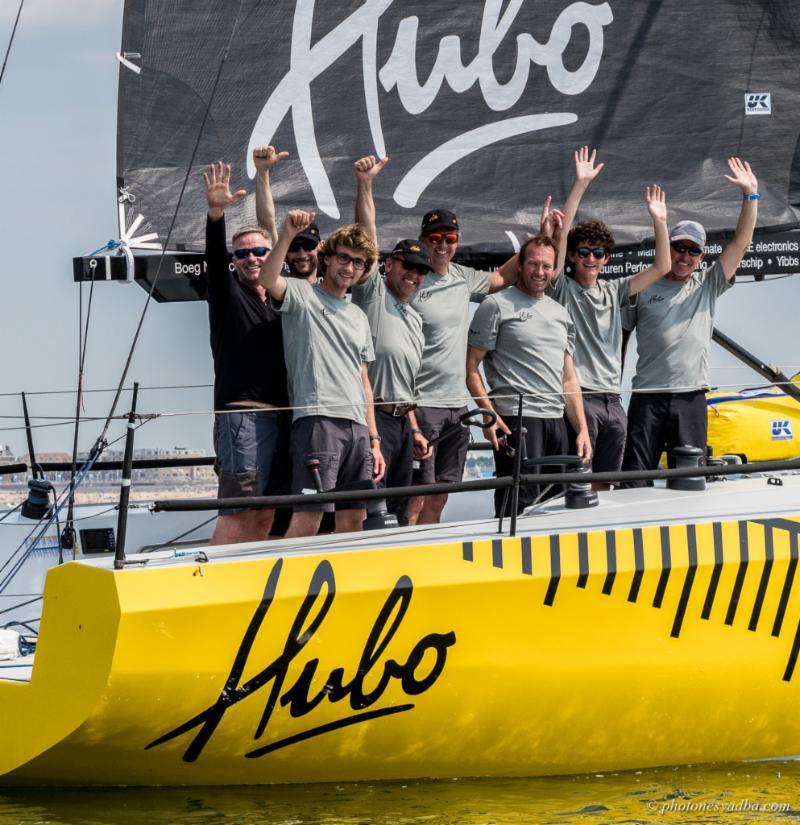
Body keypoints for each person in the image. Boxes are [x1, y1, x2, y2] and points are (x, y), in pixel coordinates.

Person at [621, 157, 759, 483]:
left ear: (701, 257)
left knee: (689, 483)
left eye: (692, 251)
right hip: (647, 397)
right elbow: (619, 339)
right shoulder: (642, 285)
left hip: (691, 397)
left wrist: (750, 197)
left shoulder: (708, 284)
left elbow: (741, 244)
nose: (684, 257)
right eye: (679, 248)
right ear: (667, 247)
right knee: (633, 482)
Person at [542, 146, 672, 488]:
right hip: (578, 396)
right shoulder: (563, 288)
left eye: (598, 253)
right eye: (583, 251)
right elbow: (558, 242)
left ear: (606, 258)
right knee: (575, 485)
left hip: (613, 399)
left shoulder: (614, 290)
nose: (590, 258)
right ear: (572, 255)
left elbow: (663, 267)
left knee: (606, 484)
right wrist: (581, 184)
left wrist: (659, 220)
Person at [258, 210, 386, 537]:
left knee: (353, 520)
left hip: (358, 428)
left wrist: (374, 440)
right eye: (344, 258)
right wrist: (286, 234)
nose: (350, 268)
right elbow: (267, 279)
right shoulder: (302, 295)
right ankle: (288, 586)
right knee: (309, 517)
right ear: (326, 257)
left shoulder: (358, 315)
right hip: (318, 419)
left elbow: (364, 382)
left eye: (358, 263)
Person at [466, 235, 592, 515]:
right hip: (517, 420)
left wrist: (582, 430)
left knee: (557, 506)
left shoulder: (560, 312)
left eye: (546, 266)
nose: (540, 271)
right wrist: (489, 414)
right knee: (518, 509)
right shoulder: (495, 305)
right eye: (533, 264)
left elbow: (568, 379)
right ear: (520, 266)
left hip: (557, 422)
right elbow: (471, 367)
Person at [203, 148, 287, 545]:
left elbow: (275, 228)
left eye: (259, 252)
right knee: (238, 513)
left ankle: (248, 585)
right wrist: (216, 215)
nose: (252, 258)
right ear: (234, 261)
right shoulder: (227, 294)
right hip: (243, 418)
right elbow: (213, 262)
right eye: (243, 254)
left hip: (283, 416)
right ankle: (212, 588)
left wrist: (264, 177)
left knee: (266, 513)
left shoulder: (282, 299)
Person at [352, 155, 432, 524]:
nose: (413, 275)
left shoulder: (415, 318)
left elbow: (407, 384)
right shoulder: (372, 295)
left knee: (401, 512)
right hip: (375, 420)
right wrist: (365, 183)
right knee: (372, 511)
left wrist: (415, 429)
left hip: (403, 423)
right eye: (407, 266)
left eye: (420, 271)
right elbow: (366, 238)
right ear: (389, 265)